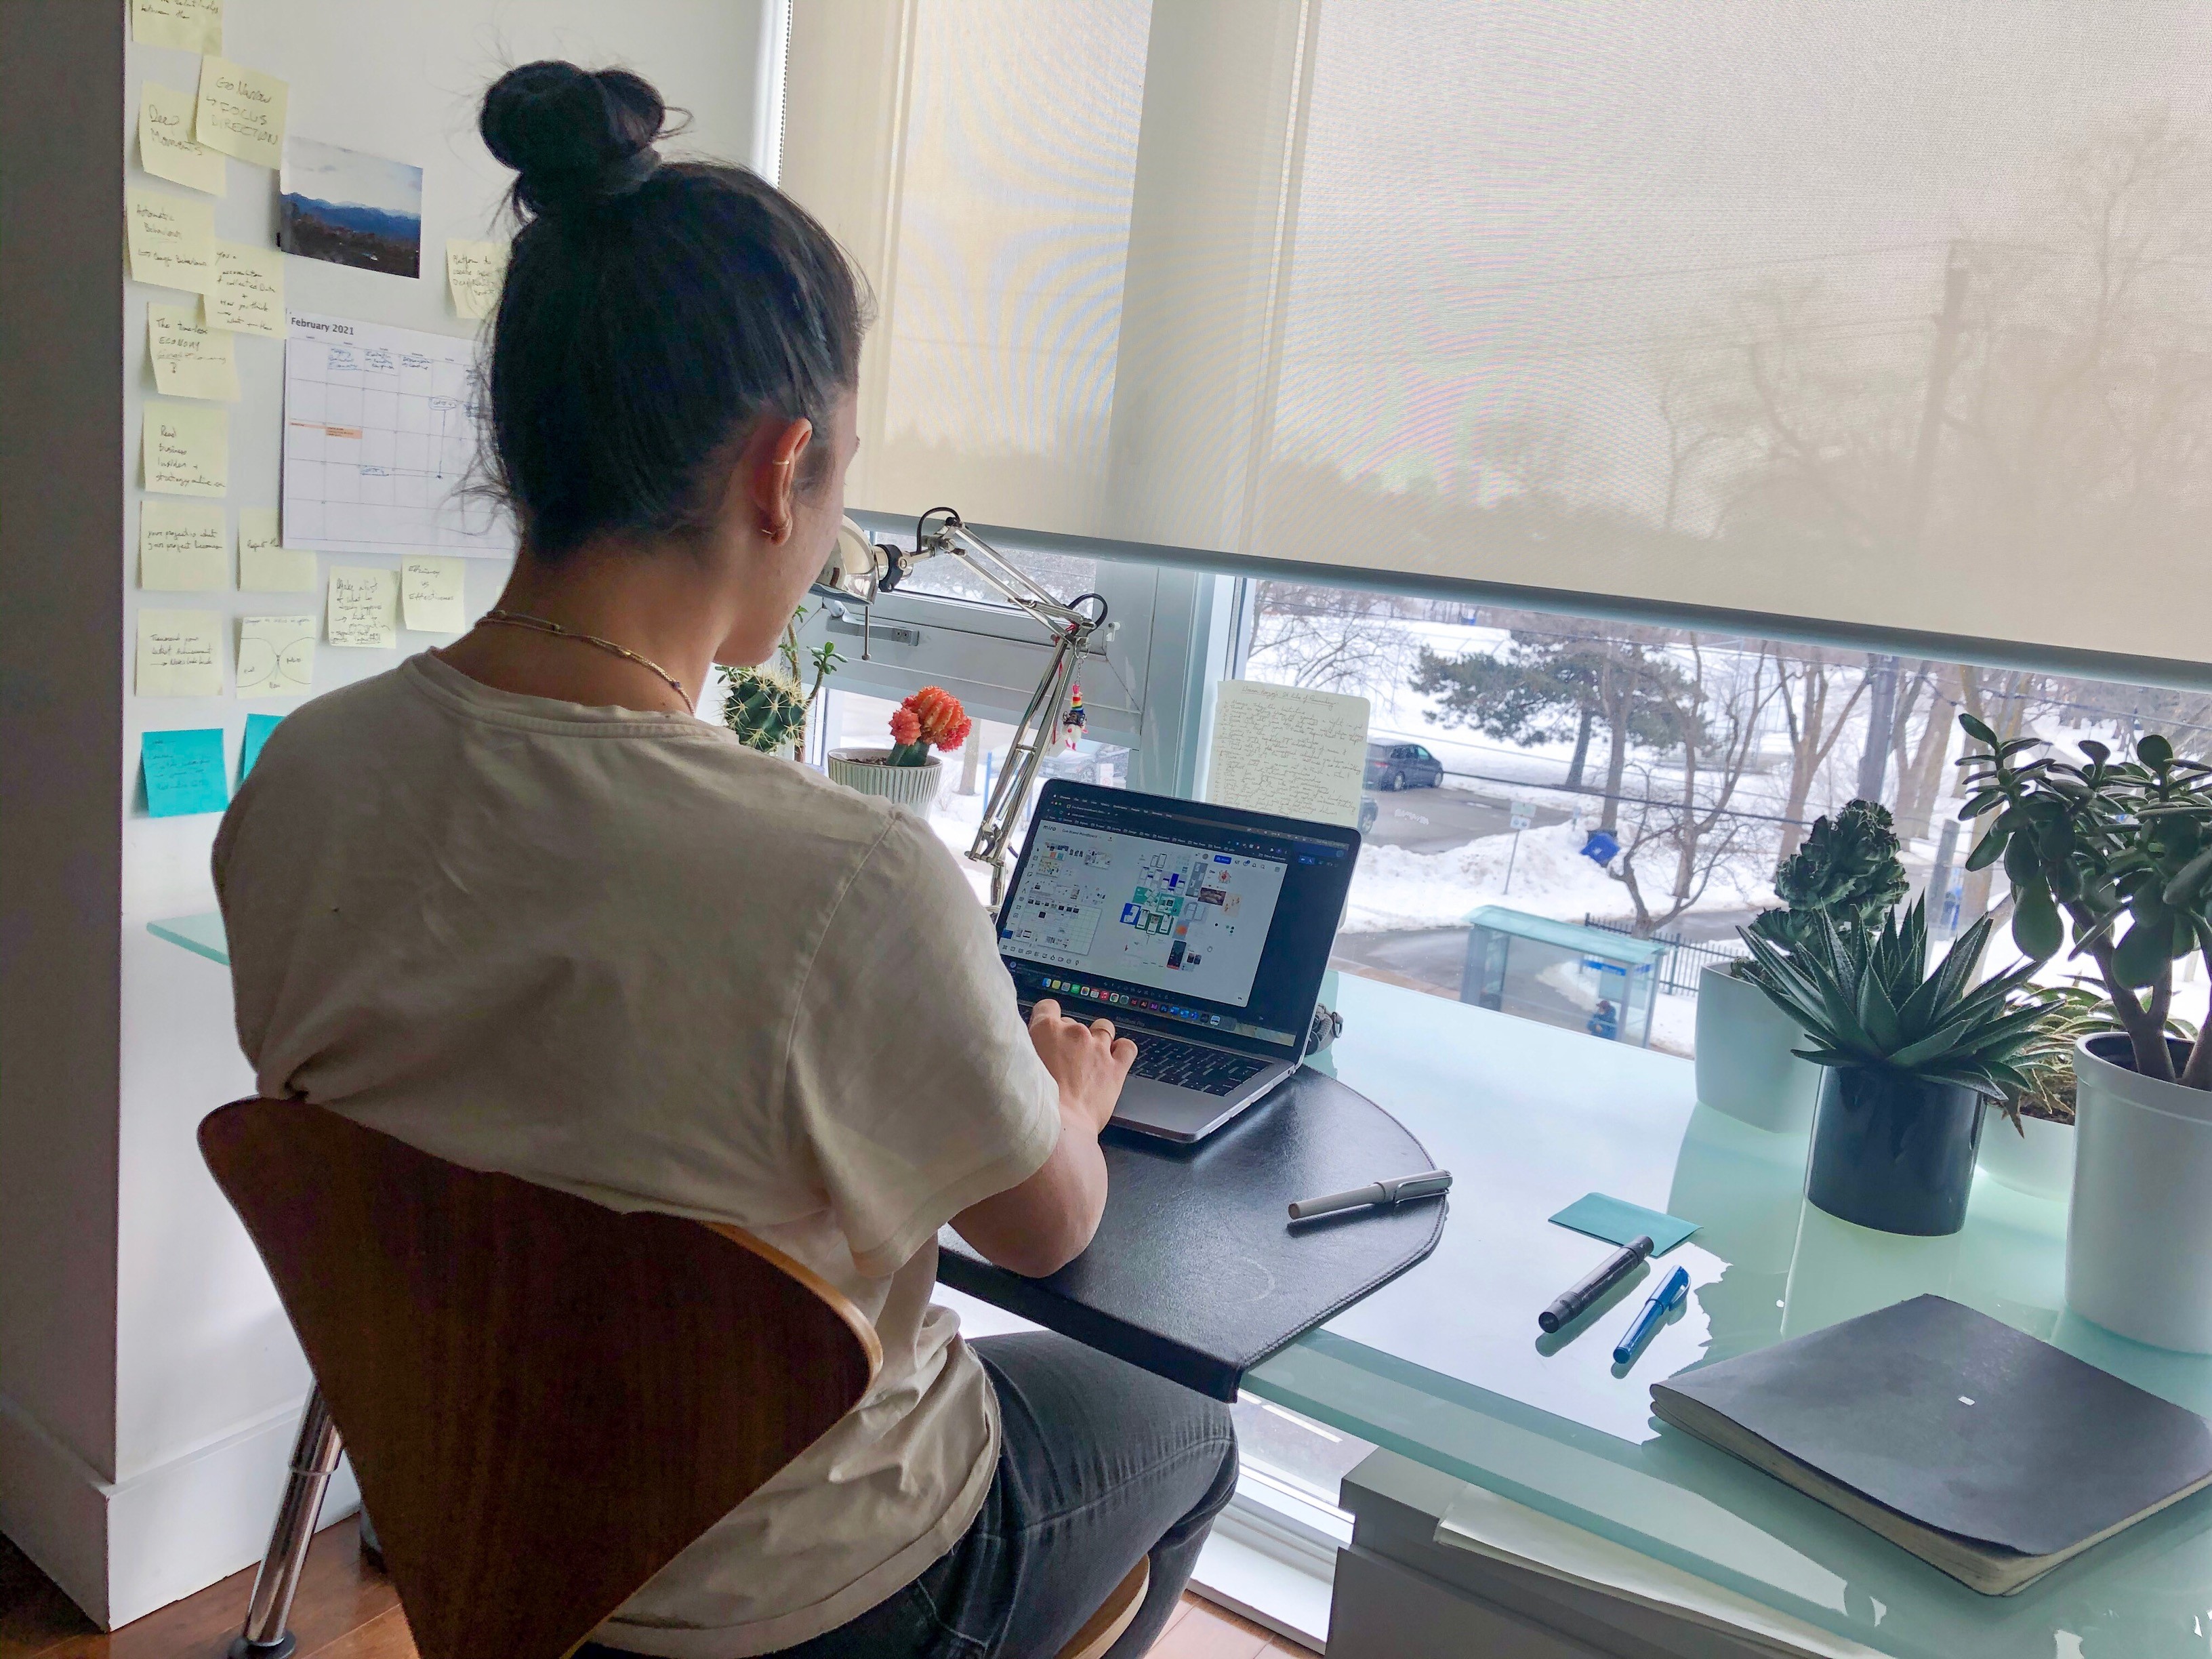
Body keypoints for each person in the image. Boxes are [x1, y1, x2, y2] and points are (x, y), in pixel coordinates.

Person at [215, 62, 1234, 1659]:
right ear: (779, 469)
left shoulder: (301, 779)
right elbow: (1045, 1232)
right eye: (841, 477)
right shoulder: (856, 884)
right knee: (1189, 1426)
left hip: (492, 1529)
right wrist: (1072, 1108)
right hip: (804, 1600)